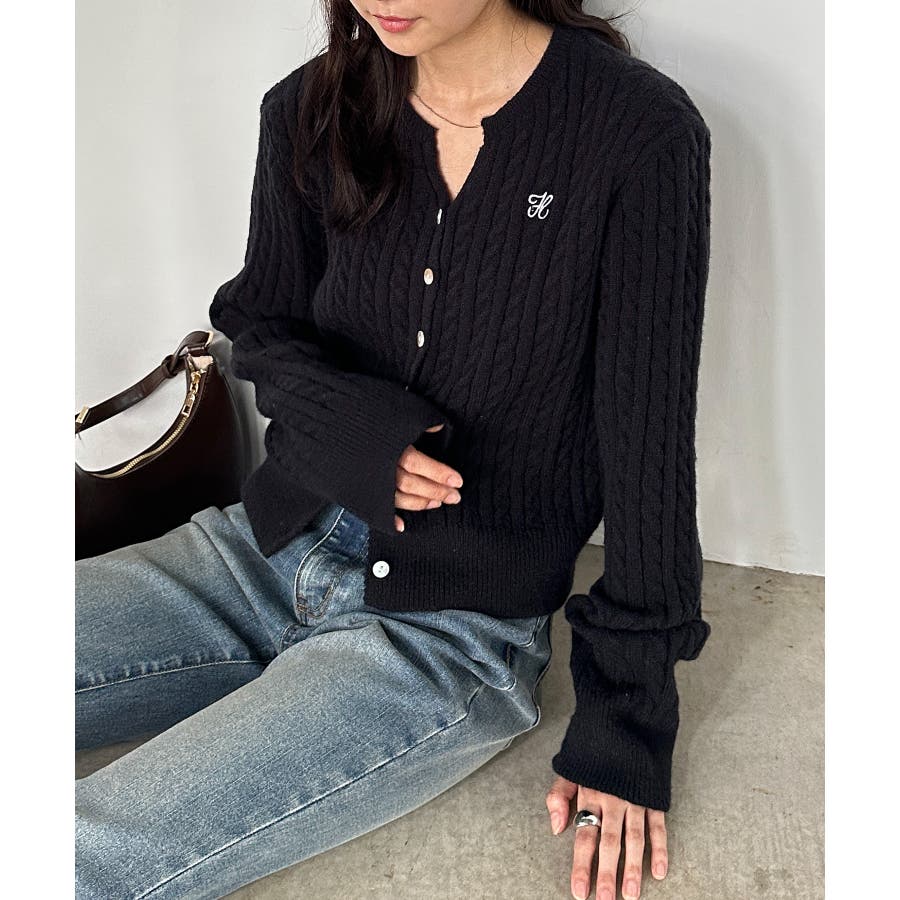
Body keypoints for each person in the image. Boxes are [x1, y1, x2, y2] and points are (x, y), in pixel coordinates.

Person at [75, 3, 713, 899]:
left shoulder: (638, 132)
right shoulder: (310, 106)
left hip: (447, 629)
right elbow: (261, 321)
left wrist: (627, 723)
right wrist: (350, 430)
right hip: (264, 546)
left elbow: (648, 440)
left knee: (81, 851)